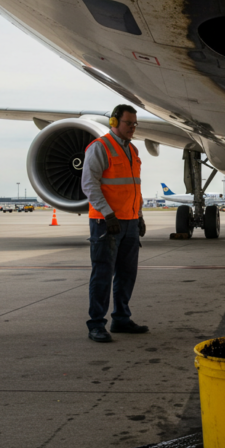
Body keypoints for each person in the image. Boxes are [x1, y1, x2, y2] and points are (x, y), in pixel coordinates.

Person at [82, 104, 148, 343]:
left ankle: (121, 318)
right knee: (102, 274)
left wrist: (139, 215)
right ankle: (96, 324)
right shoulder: (100, 147)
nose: (132, 128)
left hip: (129, 222)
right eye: (128, 123)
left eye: (134, 124)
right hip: (106, 223)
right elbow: (90, 185)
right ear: (114, 122)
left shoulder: (132, 150)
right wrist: (108, 214)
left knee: (127, 274)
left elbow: (134, 186)